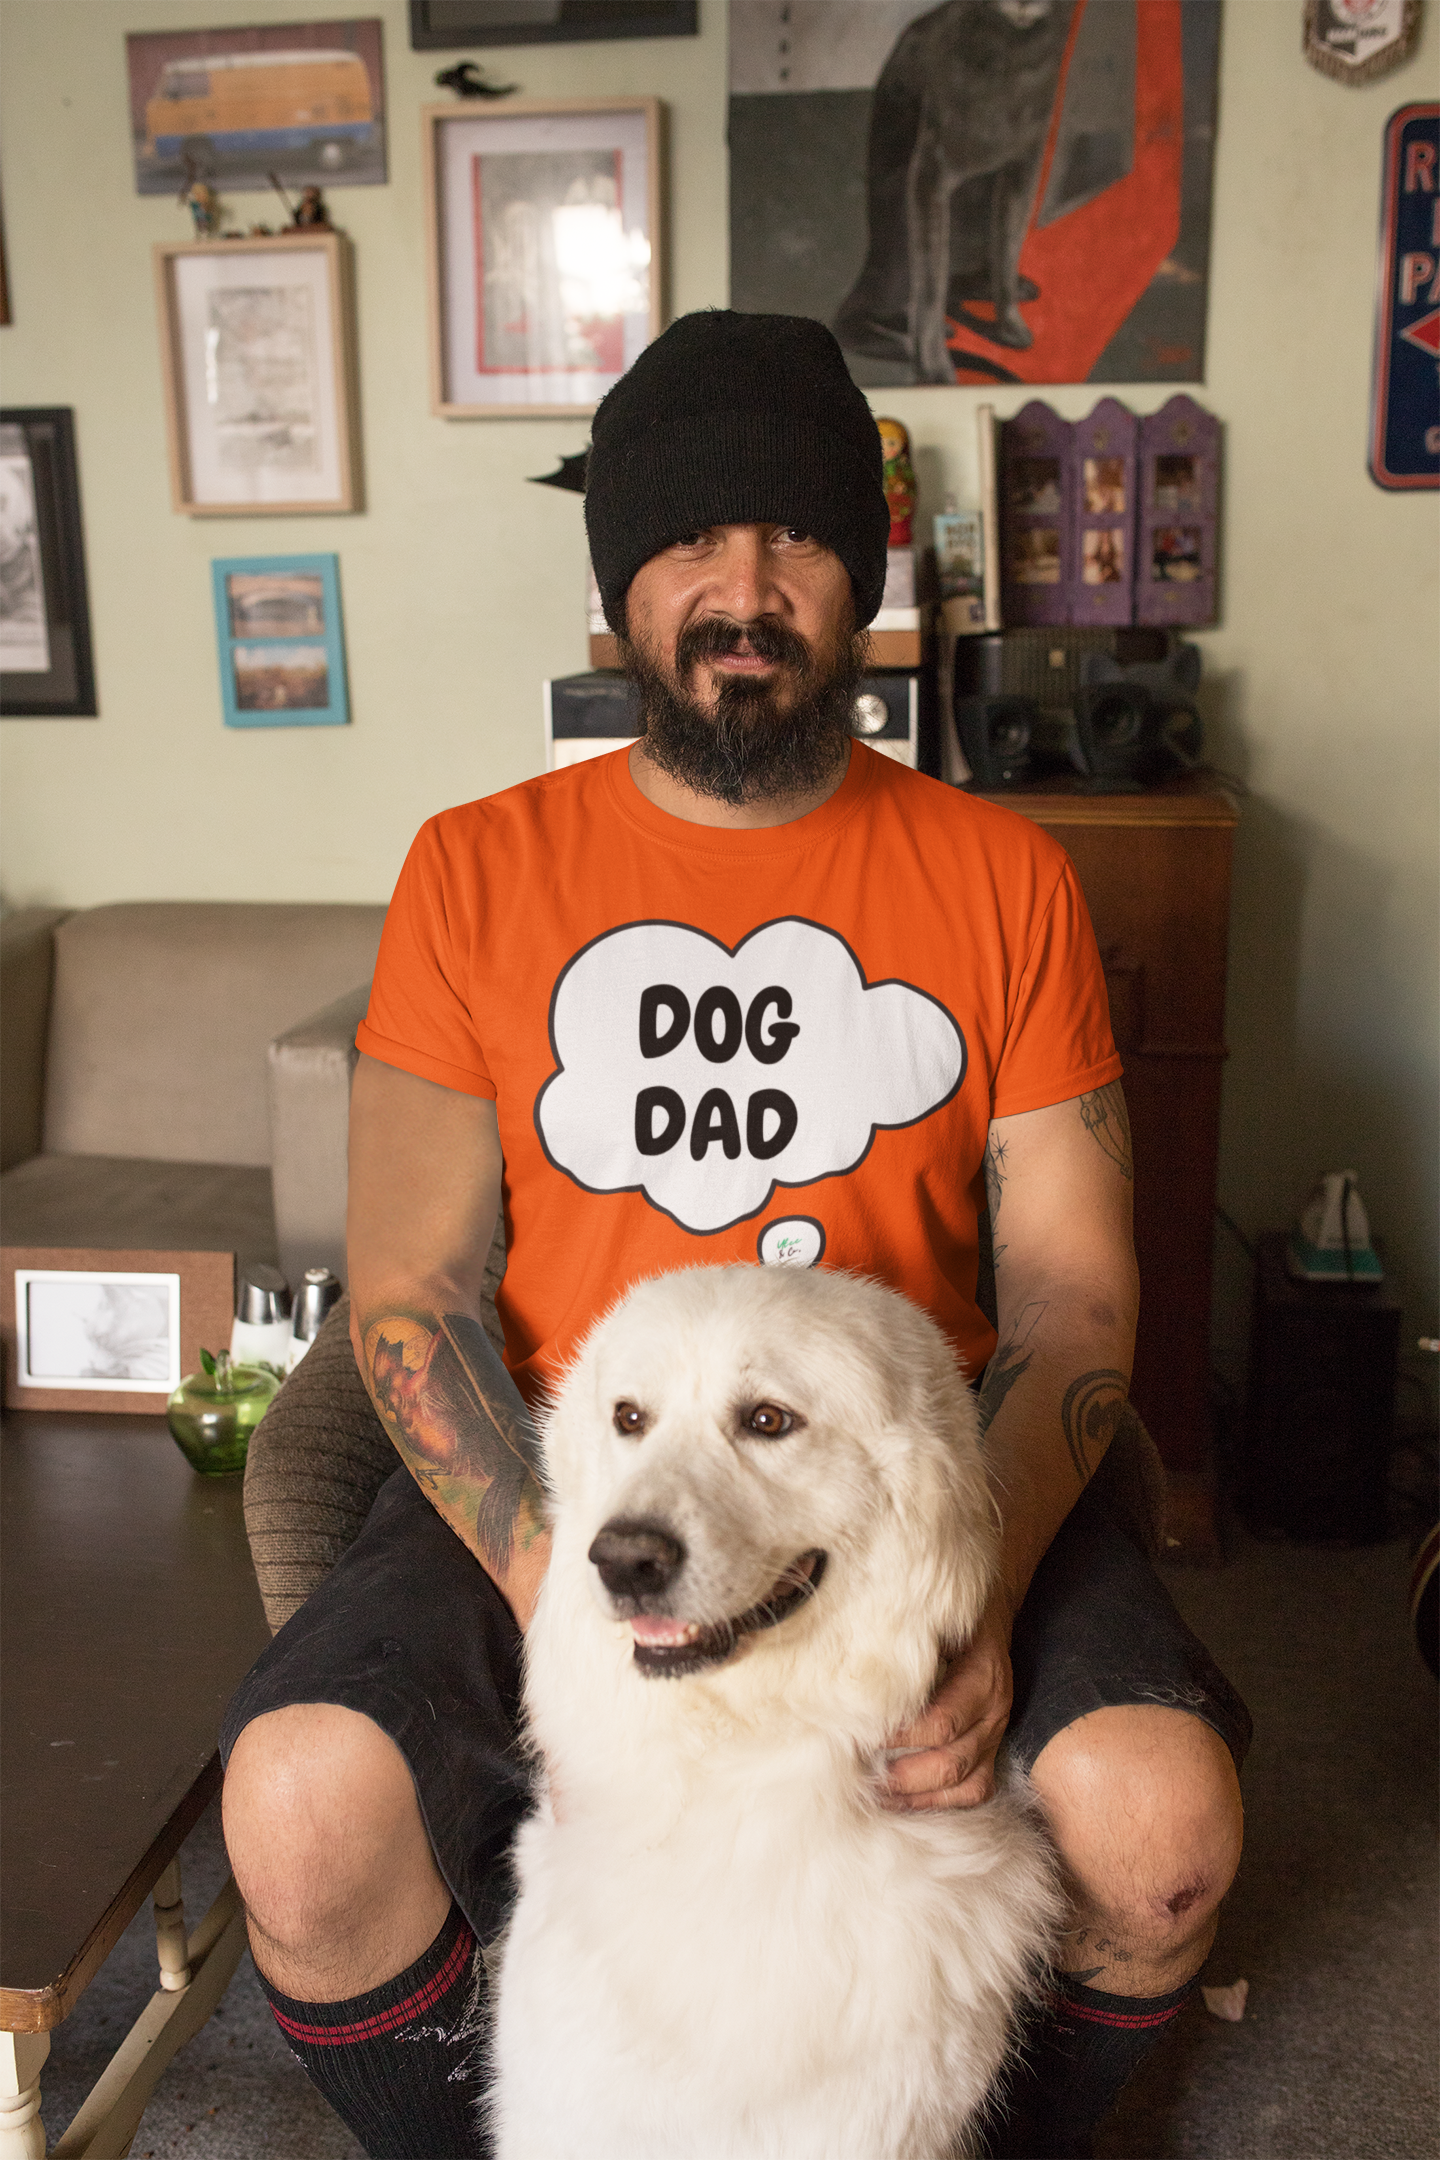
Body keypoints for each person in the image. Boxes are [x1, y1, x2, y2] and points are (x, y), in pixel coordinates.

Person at [221, 309, 1248, 2160]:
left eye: (794, 538)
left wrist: (973, 1591)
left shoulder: (1007, 877)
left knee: (1162, 1826)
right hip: (578, 1477)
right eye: (692, 539)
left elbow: (1077, 1299)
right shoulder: (471, 869)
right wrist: (563, 1594)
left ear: (865, 575)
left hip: (907, 1474)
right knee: (298, 1815)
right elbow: (408, 1294)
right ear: (621, 585)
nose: (746, 589)